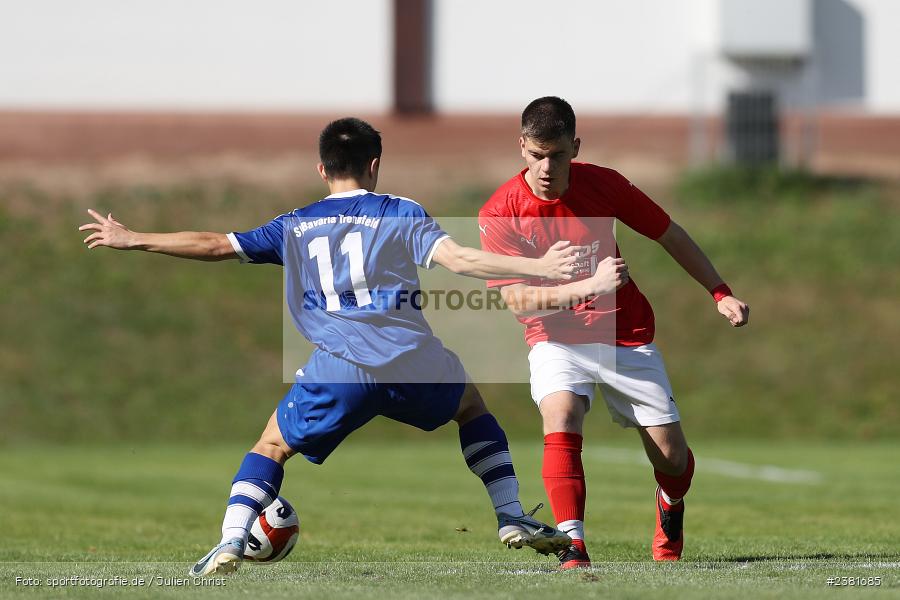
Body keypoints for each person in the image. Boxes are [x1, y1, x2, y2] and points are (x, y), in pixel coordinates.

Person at [79, 117, 627, 576]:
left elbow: (217, 245)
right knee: (471, 408)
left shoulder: (295, 224)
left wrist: (135, 238)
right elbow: (462, 261)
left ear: (322, 170)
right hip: (412, 358)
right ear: (375, 165)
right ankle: (509, 513)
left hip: (339, 364)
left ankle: (230, 539)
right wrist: (538, 265)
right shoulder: (400, 211)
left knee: (271, 447)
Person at [477, 97, 750, 568]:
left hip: (625, 332)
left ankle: (670, 501)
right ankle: (571, 545)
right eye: (537, 154)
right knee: (560, 415)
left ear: (575, 148)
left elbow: (669, 233)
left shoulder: (604, 185)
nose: (546, 166)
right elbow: (517, 300)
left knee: (672, 458)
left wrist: (719, 291)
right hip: (555, 336)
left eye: (557, 154)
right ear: (522, 147)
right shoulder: (501, 211)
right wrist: (590, 285)